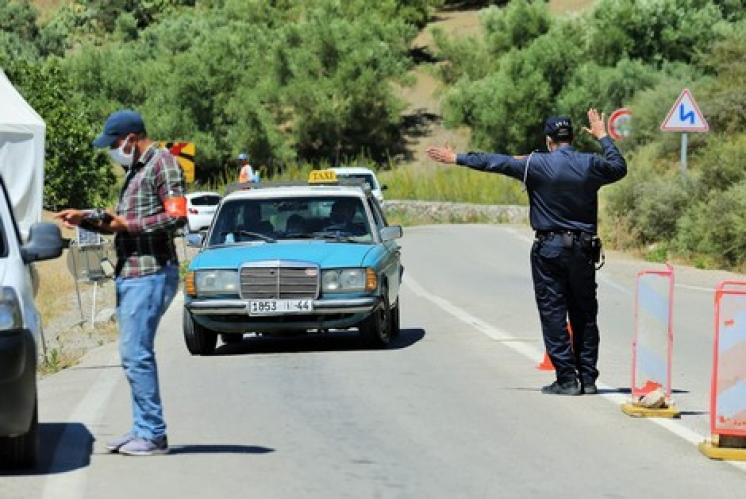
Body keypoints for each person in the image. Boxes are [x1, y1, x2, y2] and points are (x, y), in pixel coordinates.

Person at [426, 108, 627, 396]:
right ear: (571, 137)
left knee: (554, 313)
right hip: (583, 249)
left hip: (549, 249)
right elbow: (619, 167)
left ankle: (567, 380)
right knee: (584, 314)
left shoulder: (535, 164)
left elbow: (496, 162)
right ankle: (589, 380)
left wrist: (457, 158)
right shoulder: (589, 163)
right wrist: (603, 136)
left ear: (548, 141)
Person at [54, 110, 186, 454]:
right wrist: (86, 218)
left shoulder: (164, 164)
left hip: (151, 271)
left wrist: (127, 227)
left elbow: (176, 218)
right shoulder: (135, 171)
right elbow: (119, 221)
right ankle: (142, 427)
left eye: (114, 143)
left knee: (136, 354)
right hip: (131, 272)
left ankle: (153, 434)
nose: (113, 150)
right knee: (132, 354)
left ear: (130, 138)